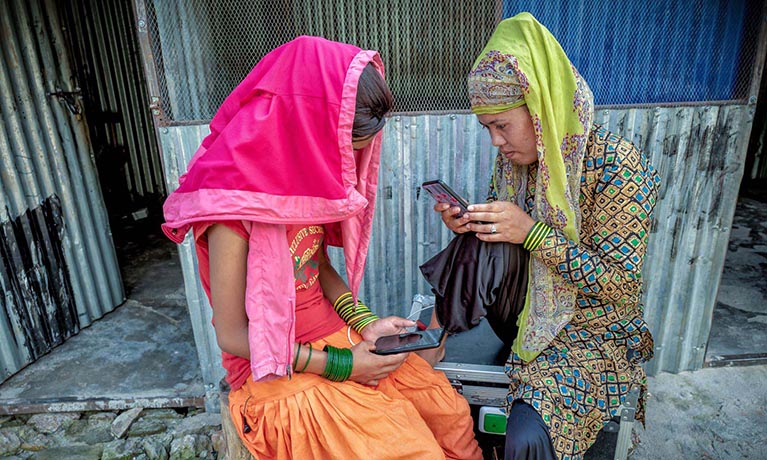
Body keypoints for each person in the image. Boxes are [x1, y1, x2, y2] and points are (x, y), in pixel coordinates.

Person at [162, 36, 482, 460]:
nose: (347, 166)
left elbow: (318, 267)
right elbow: (234, 334)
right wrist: (345, 366)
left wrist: (365, 323)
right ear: (307, 124)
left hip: (336, 338)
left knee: (449, 416)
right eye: (344, 150)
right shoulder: (230, 206)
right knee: (412, 449)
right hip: (276, 370)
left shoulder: (303, 177)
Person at [433, 13, 660, 460]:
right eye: (488, 130)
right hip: (523, 314)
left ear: (541, 110)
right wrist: (473, 224)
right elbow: (504, 250)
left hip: (594, 331)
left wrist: (532, 233)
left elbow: (620, 284)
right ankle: (441, 341)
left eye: (502, 125)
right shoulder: (517, 162)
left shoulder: (616, 164)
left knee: (525, 435)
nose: (496, 142)